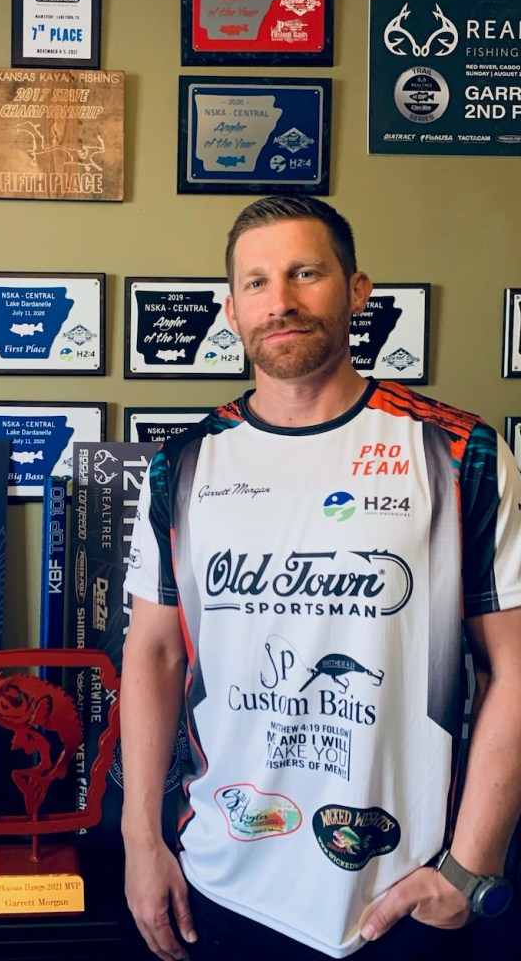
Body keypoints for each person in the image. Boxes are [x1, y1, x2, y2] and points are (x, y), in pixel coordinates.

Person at [120, 195, 521, 961]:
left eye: (305, 273)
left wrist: (471, 866)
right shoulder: (184, 463)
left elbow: (513, 667)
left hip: (406, 892)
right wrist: (142, 840)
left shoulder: (456, 453)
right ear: (232, 310)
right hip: (221, 882)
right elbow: (155, 653)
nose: (282, 301)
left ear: (357, 289)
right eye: (258, 282)